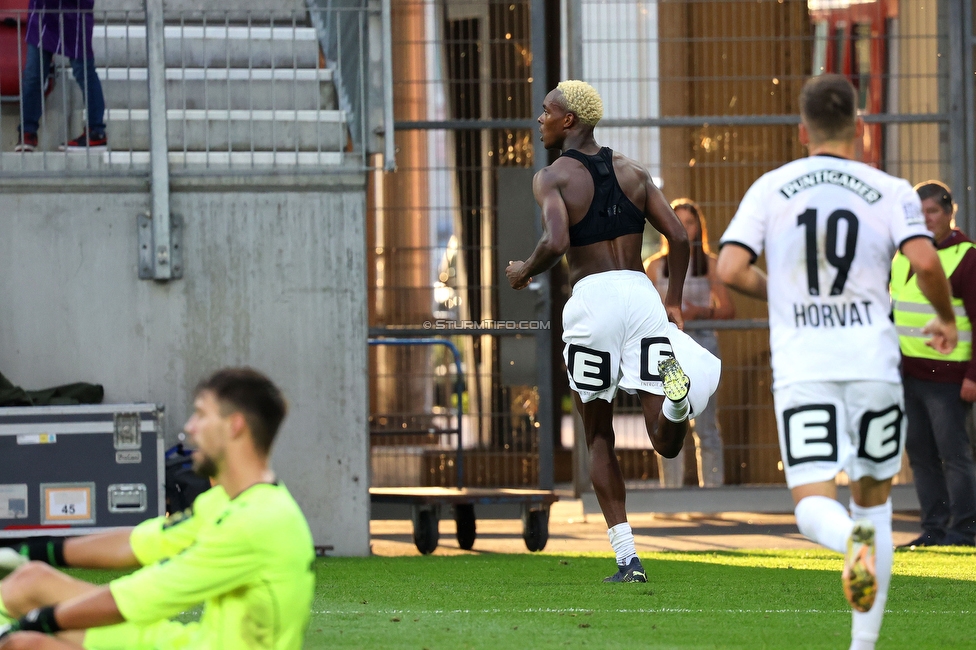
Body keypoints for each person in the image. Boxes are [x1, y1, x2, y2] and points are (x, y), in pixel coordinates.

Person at [717, 74, 957, 650]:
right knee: (872, 504)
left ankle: (847, 539)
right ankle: (863, 645)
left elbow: (728, 270)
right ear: (861, 129)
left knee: (813, 511)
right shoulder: (891, 188)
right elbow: (925, 264)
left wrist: (779, 289)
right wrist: (946, 319)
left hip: (806, 370)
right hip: (874, 368)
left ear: (802, 131)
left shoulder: (772, 187)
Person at [506, 80, 720, 583]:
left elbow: (557, 239)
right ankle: (674, 402)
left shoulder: (552, 177)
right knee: (664, 441)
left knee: (598, 431)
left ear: (569, 121)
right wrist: (672, 301)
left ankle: (627, 558)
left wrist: (526, 270)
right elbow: (681, 236)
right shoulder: (634, 171)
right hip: (641, 295)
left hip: (593, 300)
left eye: (546, 112)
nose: (540, 120)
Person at [0, 367, 315, 650]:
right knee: (31, 580)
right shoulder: (227, 501)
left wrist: (36, 622)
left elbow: (133, 600)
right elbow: (137, 544)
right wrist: (28, 552)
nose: (190, 427)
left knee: (24, 644)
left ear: (234, 426)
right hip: (193, 643)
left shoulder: (256, 523)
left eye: (201, 415)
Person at [892, 181, 976, 548]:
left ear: (949, 213)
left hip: (949, 375)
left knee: (954, 456)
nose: (926, 220)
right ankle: (934, 528)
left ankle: (965, 530)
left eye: (933, 212)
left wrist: (973, 375)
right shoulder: (901, 255)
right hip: (907, 373)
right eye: (919, 212)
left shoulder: (966, 256)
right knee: (921, 456)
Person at [646, 198, 735, 487]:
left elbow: (728, 309)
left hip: (703, 346)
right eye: (678, 221)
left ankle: (712, 495)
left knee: (706, 425)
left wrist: (699, 312)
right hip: (668, 351)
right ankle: (670, 495)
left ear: (699, 228)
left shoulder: (709, 263)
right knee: (668, 422)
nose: (684, 228)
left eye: (690, 222)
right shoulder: (655, 266)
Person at [14, 0, 107, 152]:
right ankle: (27, 132)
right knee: (33, 74)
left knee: (83, 71)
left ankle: (96, 132)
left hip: (75, 12)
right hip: (43, 11)